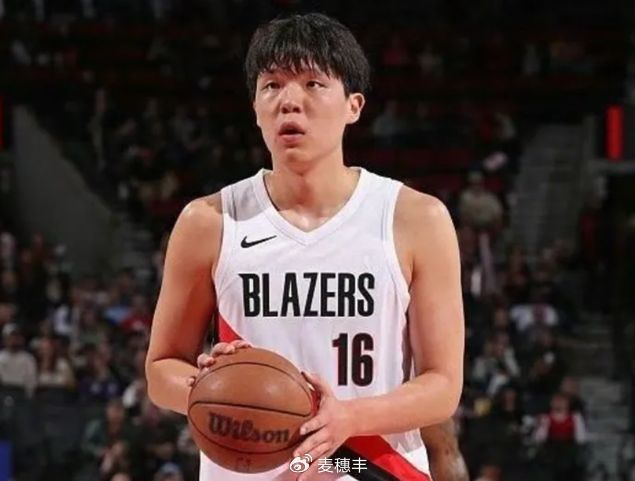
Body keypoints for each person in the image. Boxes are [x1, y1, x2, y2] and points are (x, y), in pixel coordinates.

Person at [145, 13, 465, 481]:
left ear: (354, 105)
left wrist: (348, 418)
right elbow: (160, 370)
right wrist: (210, 386)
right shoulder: (209, 221)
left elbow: (442, 386)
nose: (289, 101)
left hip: (366, 464)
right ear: (255, 108)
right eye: (272, 86)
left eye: (313, 84)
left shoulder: (416, 218)